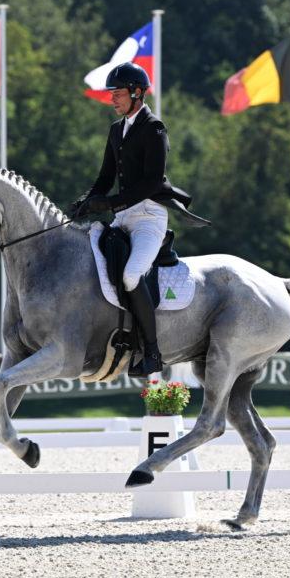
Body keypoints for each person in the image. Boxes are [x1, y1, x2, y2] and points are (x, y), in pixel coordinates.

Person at [71, 62, 207, 377]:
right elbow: (105, 177)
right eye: (112, 94)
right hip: (122, 217)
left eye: (117, 93)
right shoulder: (116, 130)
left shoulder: (154, 128)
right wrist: (87, 201)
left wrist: (110, 202)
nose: (112, 99)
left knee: (132, 276)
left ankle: (153, 353)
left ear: (136, 92)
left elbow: (152, 182)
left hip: (148, 216)